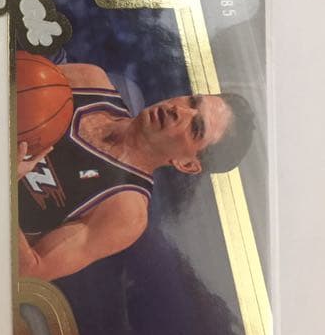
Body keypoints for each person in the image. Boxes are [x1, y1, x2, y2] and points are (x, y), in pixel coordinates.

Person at [18, 62, 254, 281]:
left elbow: (29, 269)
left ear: (187, 164)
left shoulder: (124, 211)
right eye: (192, 101)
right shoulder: (87, 81)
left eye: (195, 127)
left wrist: (5, 183)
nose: (178, 110)